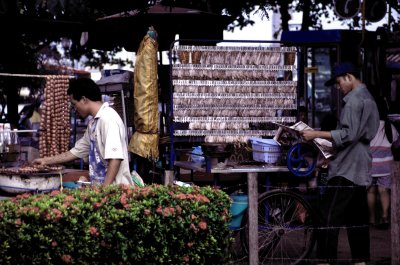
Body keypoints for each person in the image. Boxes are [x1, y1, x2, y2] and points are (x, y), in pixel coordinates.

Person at [300, 62, 380, 265]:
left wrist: (315, 133)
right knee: (357, 220)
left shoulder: (353, 100)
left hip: (347, 168)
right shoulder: (368, 98)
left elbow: (348, 134)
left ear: (349, 77)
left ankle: (325, 261)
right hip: (360, 164)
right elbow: (360, 134)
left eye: (338, 83)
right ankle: (360, 261)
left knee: (326, 216)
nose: (338, 88)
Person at [32, 78, 134, 187]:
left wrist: (105, 191)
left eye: (74, 104)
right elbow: (76, 151)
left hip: (116, 191)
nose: (75, 109)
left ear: (84, 99)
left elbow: (115, 158)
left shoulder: (108, 119)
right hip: (102, 191)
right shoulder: (94, 123)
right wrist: (46, 161)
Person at [367, 97, 398, 229]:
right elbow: (396, 142)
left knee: (371, 192)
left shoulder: (368, 126)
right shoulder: (389, 126)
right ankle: (385, 217)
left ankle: (372, 218)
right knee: (384, 191)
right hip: (386, 165)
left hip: (370, 165)